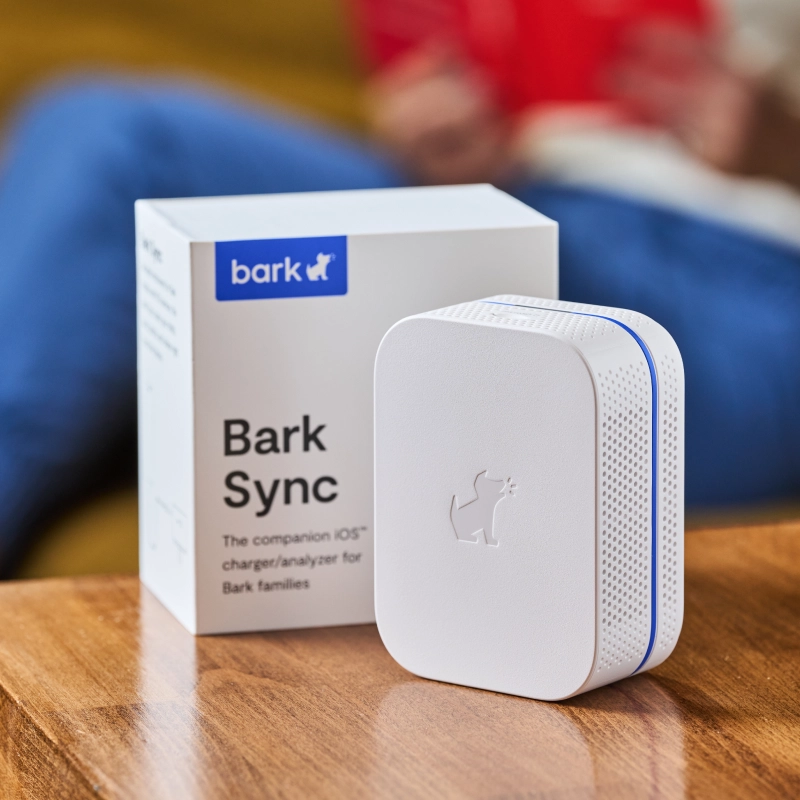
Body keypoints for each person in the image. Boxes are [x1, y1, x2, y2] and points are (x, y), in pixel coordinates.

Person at [0, 0, 799, 573]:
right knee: (106, 129)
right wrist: (446, 138)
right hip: (533, 196)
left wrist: (782, 144)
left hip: (757, 279)